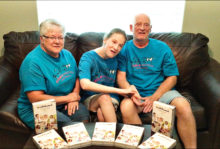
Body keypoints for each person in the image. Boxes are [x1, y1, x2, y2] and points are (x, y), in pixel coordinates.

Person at [117, 13, 197, 148]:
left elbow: (172, 78)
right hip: (136, 94)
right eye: (138, 24)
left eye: (146, 25)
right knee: (125, 107)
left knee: (183, 105)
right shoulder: (124, 48)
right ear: (131, 28)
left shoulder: (162, 48)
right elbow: (121, 78)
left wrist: (155, 97)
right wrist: (132, 93)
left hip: (161, 93)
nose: (142, 28)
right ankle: (145, 145)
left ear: (150, 28)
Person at [17, 19, 90, 129]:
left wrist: (74, 96)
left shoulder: (67, 55)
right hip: (37, 108)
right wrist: (68, 98)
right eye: (52, 37)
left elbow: (77, 78)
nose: (57, 41)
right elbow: (35, 98)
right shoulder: (32, 62)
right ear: (42, 39)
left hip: (63, 103)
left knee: (83, 117)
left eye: (60, 37)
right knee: (67, 128)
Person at [78, 28, 135, 122]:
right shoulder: (88, 57)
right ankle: (116, 134)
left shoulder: (119, 58)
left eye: (120, 45)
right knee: (104, 98)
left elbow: (122, 79)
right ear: (105, 40)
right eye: (114, 42)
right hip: (91, 98)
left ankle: (109, 135)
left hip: (112, 98)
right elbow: (85, 84)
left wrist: (131, 91)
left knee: (101, 112)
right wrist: (120, 91)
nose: (116, 47)